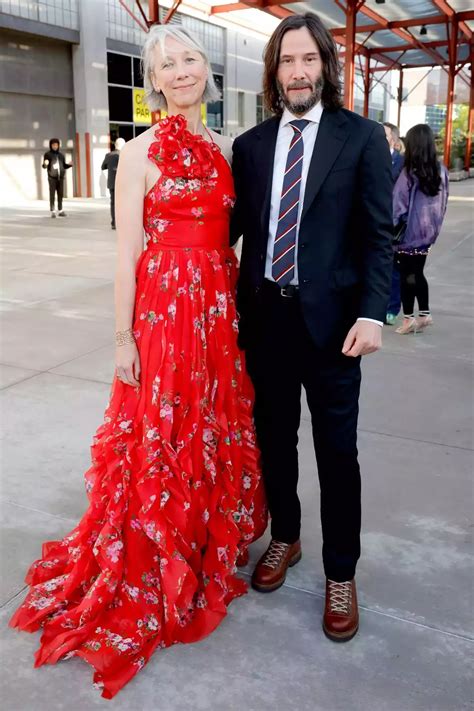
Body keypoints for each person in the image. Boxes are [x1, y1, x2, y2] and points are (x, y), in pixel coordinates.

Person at [10, 25, 266, 699]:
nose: (180, 71)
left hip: (217, 307)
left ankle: (202, 540)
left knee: (207, 425)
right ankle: (159, 550)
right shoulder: (137, 152)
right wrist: (122, 339)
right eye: (166, 65)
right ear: (152, 81)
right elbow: (126, 254)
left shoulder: (226, 149)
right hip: (163, 312)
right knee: (161, 431)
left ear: (205, 68)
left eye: (188, 59)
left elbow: (234, 234)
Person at [232, 12, 393, 643]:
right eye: (287, 61)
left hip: (334, 328)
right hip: (266, 320)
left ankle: (341, 572)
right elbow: (229, 231)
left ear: (326, 65)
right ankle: (287, 538)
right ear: (274, 71)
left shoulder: (360, 140)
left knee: (337, 454)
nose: (298, 72)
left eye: (309, 60)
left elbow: (379, 234)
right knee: (274, 442)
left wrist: (373, 312)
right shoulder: (251, 146)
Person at [392, 123, 449, 335]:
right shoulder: (441, 171)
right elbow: (444, 203)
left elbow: (398, 206)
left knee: (407, 275)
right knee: (417, 271)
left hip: (408, 235)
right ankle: (424, 314)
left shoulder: (409, 173)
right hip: (427, 234)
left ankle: (408, 320)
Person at [383, 122, 404, 325]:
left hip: (393, 224)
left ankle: (391, 308)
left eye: (385, 134)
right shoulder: (367, 157)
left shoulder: (402, 162)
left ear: (394, 139)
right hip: (368, 221)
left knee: (393, 269)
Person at [42, 138, 72, 218]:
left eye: (56, 145)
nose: (55, 146)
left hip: (60, 178)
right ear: (50, 145)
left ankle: (60, 210)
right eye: (53, 145)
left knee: (60, 194)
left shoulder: (61, 155)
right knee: (52, 194)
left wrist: (70, 165)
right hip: (52, 178)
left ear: (58, 145)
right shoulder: (47, 154)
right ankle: (53, 211)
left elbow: (64, 166)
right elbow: (44, 166)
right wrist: (45, 164)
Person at [101, 137, 125, 229]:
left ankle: (114, 223)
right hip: (122, 183)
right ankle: (121, 222)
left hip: (112, 183)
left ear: (115, 145)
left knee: (113, 203)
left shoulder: (109, 155)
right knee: (123, 203)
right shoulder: (124, 155)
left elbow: (103, 167)